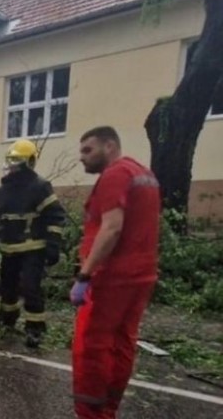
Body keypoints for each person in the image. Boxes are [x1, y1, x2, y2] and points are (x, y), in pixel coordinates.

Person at [71, 126, 160, 419]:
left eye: (88, 150)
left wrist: (85, 275)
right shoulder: (142, 173)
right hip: (141, 275)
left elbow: (112, 228)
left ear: (109, 146)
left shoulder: (115, 175)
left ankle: (92, 412)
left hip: (112, 277)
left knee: (91, 346)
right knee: (122, 342)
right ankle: (109, 406)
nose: (82, 157)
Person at [0, 139, 66, 348]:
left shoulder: (40, 186)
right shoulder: (4, 188)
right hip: (9, 248)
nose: (14, 167)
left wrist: (53, 246)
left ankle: (35, 328)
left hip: (33, 248)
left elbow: (56, 216)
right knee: (7, 286)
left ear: (29, 162)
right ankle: (7, 320)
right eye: (12, 162)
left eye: (18, 162)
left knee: (30, 287)